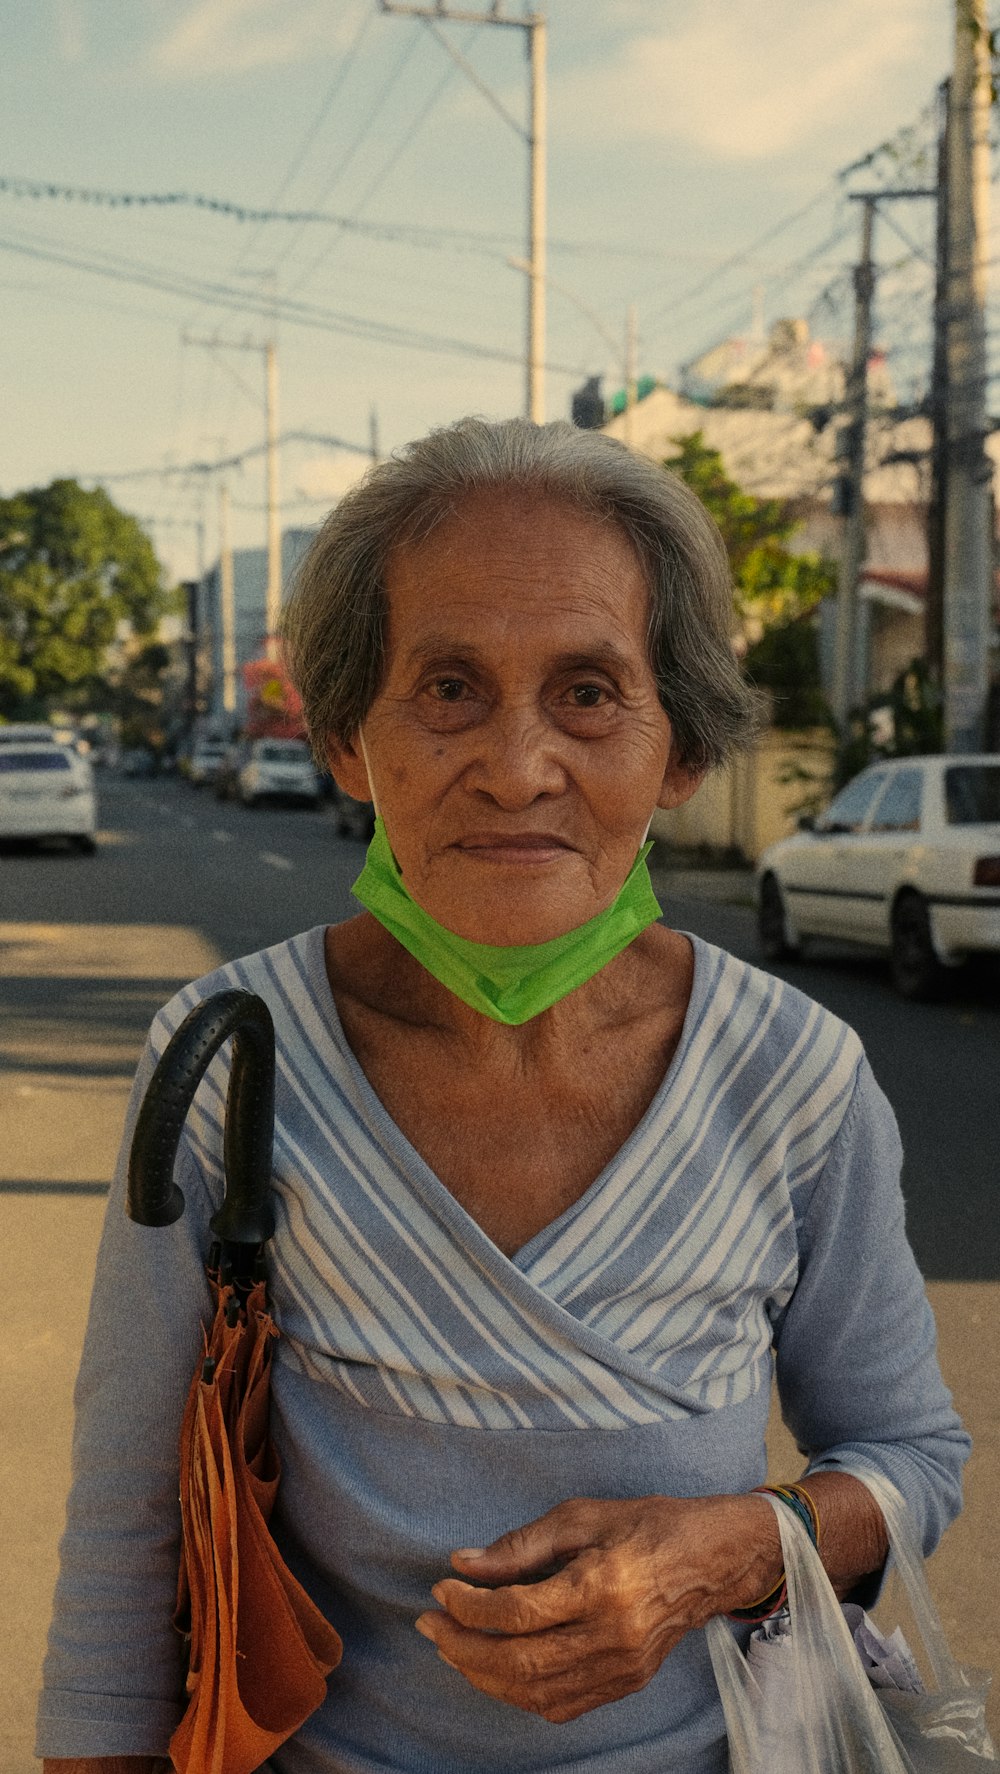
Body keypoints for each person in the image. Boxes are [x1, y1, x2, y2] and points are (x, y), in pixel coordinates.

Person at [39, 417, 969, 1774]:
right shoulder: (232, 1056)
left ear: (683, 752)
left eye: (590, 691)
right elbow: (126, 1530)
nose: (518, 764)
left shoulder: (796, 1076)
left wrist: (728, 1548)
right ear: (351, 741)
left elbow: (908, 1455)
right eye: (451, 688)